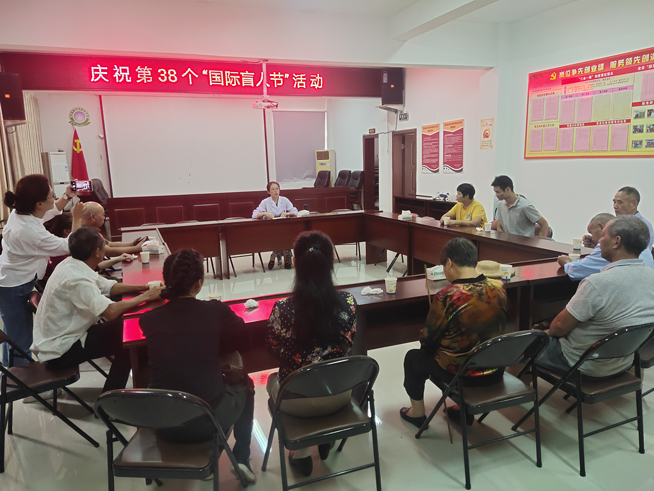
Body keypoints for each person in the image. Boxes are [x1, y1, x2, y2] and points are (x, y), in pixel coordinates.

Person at [139, 249, 256, 484]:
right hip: (206, 423)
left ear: (166, 282)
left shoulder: (148, 319)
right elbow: (242, 336)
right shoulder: (215, 311)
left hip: (162, 423)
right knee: (246, 385)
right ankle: (242, 458)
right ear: (199, 283)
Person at [265, 231, 357, 477]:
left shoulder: (283, 310)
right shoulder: (348, 303)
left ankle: (302, 453)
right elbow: (349, 344)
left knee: (273, 381)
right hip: (338, 396)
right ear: (331, 262)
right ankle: (326, 439)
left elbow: (273, 350)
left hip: (296, 401)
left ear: (295, 262)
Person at [31, 226, 162, 392]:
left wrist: (143, 287)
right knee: (131, 336)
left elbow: (108, 286)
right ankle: (112, 397)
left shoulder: (71, 263)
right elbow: (110, 312)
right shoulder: (76, 279)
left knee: (130, 332)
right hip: (62, 351)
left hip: (65, 337)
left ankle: (117, 392)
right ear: (97, 252)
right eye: (104, 246)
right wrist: (145, 297)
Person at [401, 238, 507, 429]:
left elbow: (428, 343)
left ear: (449, 263)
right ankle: (462, 410)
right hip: (495, 371)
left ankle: (417, 413)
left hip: (462, 376)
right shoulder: (498, 288)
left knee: (413, 358)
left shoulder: (448, 296)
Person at [537, 216, 654, 378]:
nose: (599, 241)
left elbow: (559, 327)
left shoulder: (597, 283)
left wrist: (544, 334)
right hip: (624, 362)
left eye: (603, 235)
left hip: (583, 364)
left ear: (617, 242)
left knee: (525, 342)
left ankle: (521, 391)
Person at [0, 174, 84, 365]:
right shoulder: (29, 231)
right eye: (51, 196)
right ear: (38, 203)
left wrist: (67, 197)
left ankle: (11, 373)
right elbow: (70, 245)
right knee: (20, 340)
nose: (54, 198)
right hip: (13, 287)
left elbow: (49, 212)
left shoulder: (22, 214)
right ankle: (21, 379)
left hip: (13, 281)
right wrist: (77, 218)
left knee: (12, 333)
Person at [558, 213, 654, 280]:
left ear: (601, 227)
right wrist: (597, 246)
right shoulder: (636, 240)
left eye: (591, 232)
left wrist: (566, 262)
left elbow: (577, 270)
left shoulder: (613, 248)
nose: (597, 239)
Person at [42, 213, 133, 283]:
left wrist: (119, 258)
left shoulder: (82, 240)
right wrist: (135, 248)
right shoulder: (60, 254)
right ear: (67, 232)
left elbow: (93, 266)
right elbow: (108, 252)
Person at [252, 181, 298, 270]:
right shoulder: (265, 202)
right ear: (268, 192)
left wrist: (287, 213)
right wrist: (264, 213)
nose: (275, 191)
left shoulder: (284, 200)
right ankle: (286, 257)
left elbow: (295, 211)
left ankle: (274, 255)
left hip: (284, 228)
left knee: (284, 236)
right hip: (270, 230)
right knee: (279, 237)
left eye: (277, 188)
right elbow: (254, 215)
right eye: (273, 189)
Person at [82, 201, 146, 256]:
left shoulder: (90, 229)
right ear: (93, 217)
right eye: (102, 215)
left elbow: (109, 244)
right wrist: (136, 248)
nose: (104, 218)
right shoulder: (86, 234)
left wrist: (132, 244)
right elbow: (108, 251)